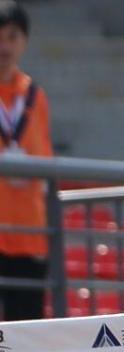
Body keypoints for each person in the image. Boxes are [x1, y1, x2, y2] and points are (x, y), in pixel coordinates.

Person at [0, 0, 53, 321]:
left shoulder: (35, 96)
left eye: (12, 36)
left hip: (28, 235)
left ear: (24, 41)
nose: (4, 46)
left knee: (27, 337)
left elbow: (45, 157)